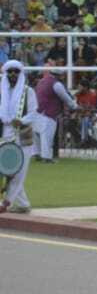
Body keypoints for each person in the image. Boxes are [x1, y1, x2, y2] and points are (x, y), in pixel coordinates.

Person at [0, 61, 38, 214]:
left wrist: (21, 121)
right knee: (8, 170)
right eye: (9, 71)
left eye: (16, 71)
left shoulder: (28, 91)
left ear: (20, 73)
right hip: (4, 136)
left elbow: (34, 113)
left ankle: (6, 202)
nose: (12, 74)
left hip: (22, 136)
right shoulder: (2, 91)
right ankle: (23, 204)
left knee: (19, 171)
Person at [31, 62, 78, 162]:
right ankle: (47, 157)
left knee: (37, 134)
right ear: (59, 75)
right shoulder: (56, 84)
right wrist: (74, 106)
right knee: (47, 136)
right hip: (48, 112)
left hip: (37, 110)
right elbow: (65, 98)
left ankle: (37, 154)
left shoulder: (41, 81)